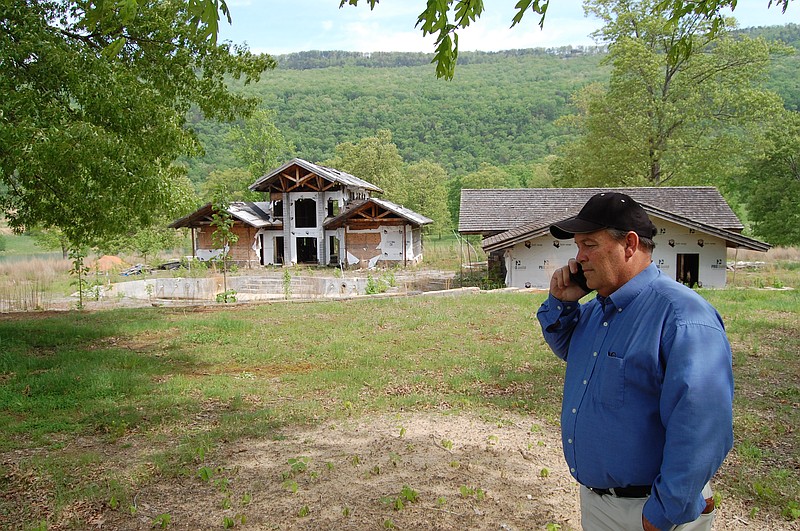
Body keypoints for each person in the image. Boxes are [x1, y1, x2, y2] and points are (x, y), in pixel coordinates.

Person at [536, 192, 734, 531]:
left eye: (590, 245)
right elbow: (568, 346)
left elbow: (702, 430)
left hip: (652, 511)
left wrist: (661, 514)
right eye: (578, 246)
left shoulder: (683, 317)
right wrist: (562, 303)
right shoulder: (598, 309)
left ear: (629, 244)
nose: (578, 257)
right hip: (599, 503)